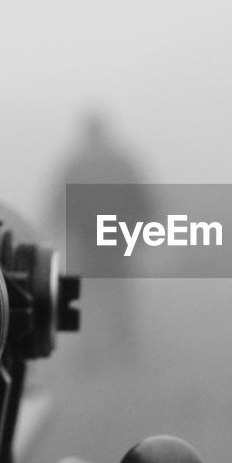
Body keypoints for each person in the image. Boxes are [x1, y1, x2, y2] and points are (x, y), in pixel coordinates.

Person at [49, 110, 155, 370]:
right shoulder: (120, 162)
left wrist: (57, 228)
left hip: (92, 240)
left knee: (92, 295)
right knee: (115, 293)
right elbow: (143, 200)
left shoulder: (77, 163)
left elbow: (59, 202)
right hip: (115, 238)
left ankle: (94, 350)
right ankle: (117, 347)